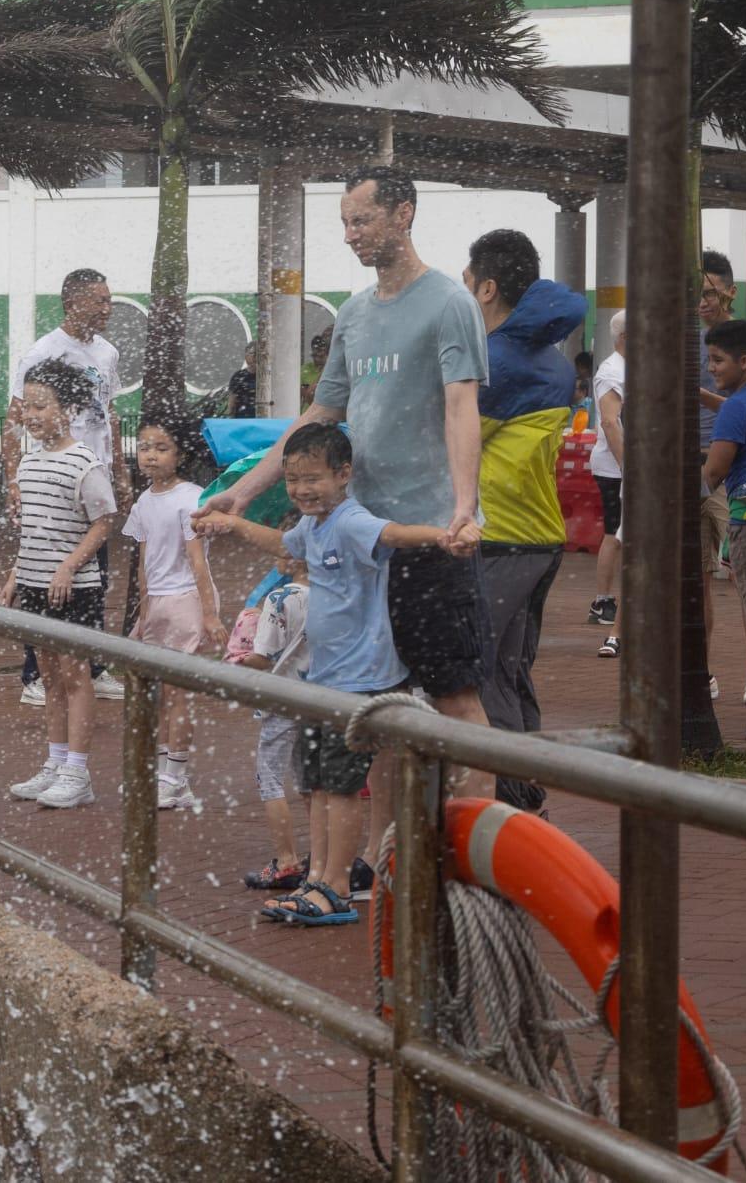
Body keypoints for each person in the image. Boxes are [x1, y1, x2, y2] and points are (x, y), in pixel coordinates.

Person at [198, 167, 496, 814]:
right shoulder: (357, 314)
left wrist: (463, 508)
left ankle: (478, 857)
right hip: (363, 547)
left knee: (456, 698)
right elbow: (317, 418)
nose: (350, 235)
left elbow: (460, 406)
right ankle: (384, 860)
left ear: (403, 214)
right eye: (345, 223)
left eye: (361, 220)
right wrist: (244, 492)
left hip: (431, 536)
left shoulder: (449, 302)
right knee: (380, 708)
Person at [197, 424, 468, 927]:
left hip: (359, 680)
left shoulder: (349, 521)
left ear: (344, 475)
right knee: (318, 785)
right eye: (294, 479)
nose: (301, 489)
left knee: (341, 788)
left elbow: (394, 534)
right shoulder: (315, 526)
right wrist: (231, 525)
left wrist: (446, 534)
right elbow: (283, 542)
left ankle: (337, 888)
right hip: (323, 679)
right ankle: (318, 878)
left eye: (313, 479)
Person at [463, 229, 586, 813]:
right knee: (511, 669)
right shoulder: (550, 359)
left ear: (486, 288)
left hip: (500, 537)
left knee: (478, 670)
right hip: (540, 537)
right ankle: (524, 793)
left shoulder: (495, 362)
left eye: (467, 281)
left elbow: (453, 443)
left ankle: (514, 800)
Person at [4, 269, 128, 705]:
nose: (107, 308)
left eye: (109, 300)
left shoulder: (107, 353)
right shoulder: (43, 352)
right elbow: (15, 418)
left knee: (93, 576)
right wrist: (13, 480)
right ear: (71, 303)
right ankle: (35, 672)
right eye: (100, 301)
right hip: (50, 474)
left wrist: (120, 469)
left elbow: (109, 413)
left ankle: (93, 666)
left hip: (91, 473)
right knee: (43, 573)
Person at [1, 360, 117, 810]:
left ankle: (78, 770)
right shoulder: (29, 463)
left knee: (76, 676)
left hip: (74, 589)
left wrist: (69, 566)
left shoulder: (84, 463)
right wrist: (15, 574)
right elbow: (32, 529)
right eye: (26, 407)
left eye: (40, 406)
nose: (30, 415)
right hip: (33, 585)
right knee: (48, 678)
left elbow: (104, 521)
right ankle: (54, 761)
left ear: (67, 410)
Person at [122, 415, 225, 811]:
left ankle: (176, 777)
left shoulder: (192, 499)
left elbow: (197, 561)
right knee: (163, 695)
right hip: (160, 604)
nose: (150, 456)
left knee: (179, 694)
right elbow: (144, 563)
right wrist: (143, 613)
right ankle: (168, 776)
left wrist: (209, 614)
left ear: (180, 454)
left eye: (161, 448)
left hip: (186, 600)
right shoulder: (144, 501)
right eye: (145, 447)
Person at [233, 557, 310, 891]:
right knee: (313, 782)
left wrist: (239, 655)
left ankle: (287, 859)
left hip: (282, 697)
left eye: (283, 549)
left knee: (271, 780)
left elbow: (262, 657)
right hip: (321, 697)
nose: (277, 559)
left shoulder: (281, 599)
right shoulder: (335, 593)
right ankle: (322, 861)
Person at [703, 320, 746, 706]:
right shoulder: (743, 402)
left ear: (744, 360)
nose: (711, 367)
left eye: (717, 360)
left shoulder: (735, 409)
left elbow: (715, 471)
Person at [698, 255, 744, 599]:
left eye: (710, 293)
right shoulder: (687, 341)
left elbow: (745, 409)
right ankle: (697, 655)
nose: (701, 302)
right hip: (694, 468)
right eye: (695, 293)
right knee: (694, 586)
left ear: (732, 292)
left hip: (735, 472)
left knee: (744, 573)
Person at [587, 310, 626, 647]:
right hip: (615, 468)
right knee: (615, 532)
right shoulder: (612, 370)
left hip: (620, 466)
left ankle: (605, 600)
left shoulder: (629, 367)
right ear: (624, 337)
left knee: (617, 532)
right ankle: (603, 600)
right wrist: (629, 466)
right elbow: (610, 422)